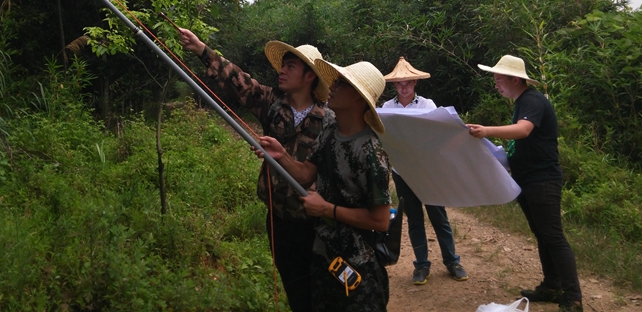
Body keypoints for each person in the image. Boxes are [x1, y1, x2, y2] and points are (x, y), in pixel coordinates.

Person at [178, 28, 331, 312]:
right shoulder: (271, 103)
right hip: (279, 222)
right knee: (296, 293)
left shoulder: (328, 120)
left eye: (290, 66)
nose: (282, 71)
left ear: (310, 76)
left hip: (316, 225)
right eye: (283, 65)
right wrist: (200, 49)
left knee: (321, 294)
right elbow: (239, 81)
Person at [258, 59, 392, 312]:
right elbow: (305, 175)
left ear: (358, 98)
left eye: (341, 84)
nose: (332, 86)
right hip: (324, 253)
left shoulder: (370, 153)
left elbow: (380, 220)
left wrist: (327, 209)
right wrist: (281, 155)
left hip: (357, 261)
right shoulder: (330, 132)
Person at [466, 55, 582, 312]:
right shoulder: (522, 102)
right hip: (527, 179)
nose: (496, 85)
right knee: (542, 234)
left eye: (499, 79)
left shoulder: (532, 100)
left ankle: (573, 298)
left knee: (553, 236)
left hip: (542, 180)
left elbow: (522, 130)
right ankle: (552, 286)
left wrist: (486, 130)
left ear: (515, 80)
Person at [382, 57, 468, 285]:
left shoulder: (428, 106)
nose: (404, 87)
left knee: (438, 216)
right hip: (402, 171)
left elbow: (437, 133)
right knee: (414, 219)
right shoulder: (386, 109)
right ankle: (421, 264)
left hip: (428, 170)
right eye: (400, 84)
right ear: (394, 85)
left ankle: (452, 261)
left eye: (408, 83)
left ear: (415, 83)